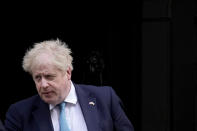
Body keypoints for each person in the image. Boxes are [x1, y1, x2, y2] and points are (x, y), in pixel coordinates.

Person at [4, 39, 134, 131]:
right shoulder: (20, 113)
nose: (43, 84)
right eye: (38, 78)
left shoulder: (105, 98)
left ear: (67, 72)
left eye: (49, 76)